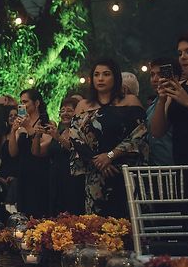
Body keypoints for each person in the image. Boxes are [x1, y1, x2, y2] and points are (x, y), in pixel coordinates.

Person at [70, 59, 148, 217]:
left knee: (127, 221)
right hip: (95, 173)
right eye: (96, 74)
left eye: (106, 74)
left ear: (116, 78)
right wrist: (99, 161)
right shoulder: (83, 105)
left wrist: (110, 156)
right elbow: (75, 137)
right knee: (96, 226)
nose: (100, 78)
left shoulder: (130, 101)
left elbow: (139, 133)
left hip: (125, 171)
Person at [151, 31, 188, 167]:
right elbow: (157, 132)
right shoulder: (179, 88)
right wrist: (162, 101)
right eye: (180, 53)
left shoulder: (183, 93)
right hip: (182, 164)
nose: (183, 57)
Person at [32, 97, 85, 215]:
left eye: (69, 110)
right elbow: (37, 152)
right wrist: (37, 135)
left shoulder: (80, 132)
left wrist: (58, 137)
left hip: (73, 181)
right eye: (62, 110)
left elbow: (74, 149)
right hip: (56, 180)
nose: (65, 113)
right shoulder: (59, 132)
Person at [8, 88, 50, 218]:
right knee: (23, 213)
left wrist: (28, 128)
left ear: (36, 103)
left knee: (38, 213)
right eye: (21, 102)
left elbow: (40, 151)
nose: (23, 106)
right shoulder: (20, 126)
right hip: (23, 172)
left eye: (25, 102)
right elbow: (13, 152)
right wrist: (13, 131)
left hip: (40, 173)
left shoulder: (46, 124)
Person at [146, 58, 178, 165]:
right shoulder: (154, 102)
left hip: (173, 166)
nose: (155, 79)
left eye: (160, 74)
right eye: (152, 74)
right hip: (155, 166)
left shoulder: (176, 100)